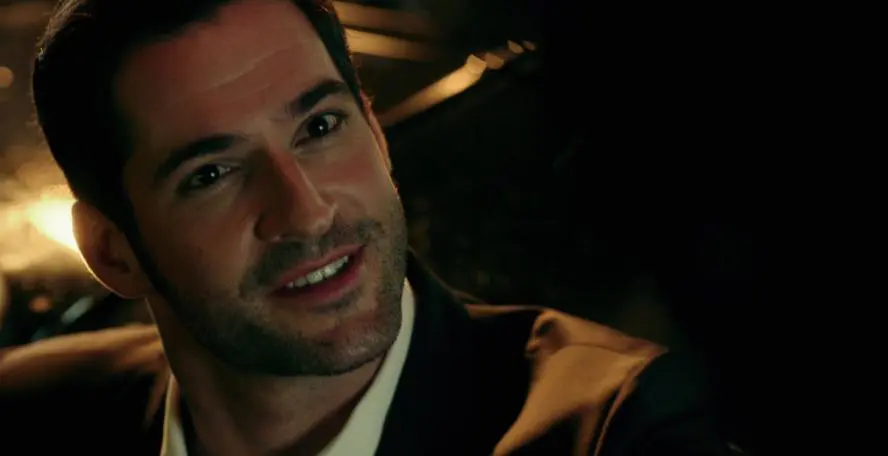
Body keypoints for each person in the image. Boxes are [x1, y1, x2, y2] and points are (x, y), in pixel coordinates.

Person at [2, 0, 741, 454]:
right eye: (212, 174)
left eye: (321, 127)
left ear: (377, 136)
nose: (308, 211)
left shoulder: (617, 431)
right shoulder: (32, 415)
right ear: (111, 251)